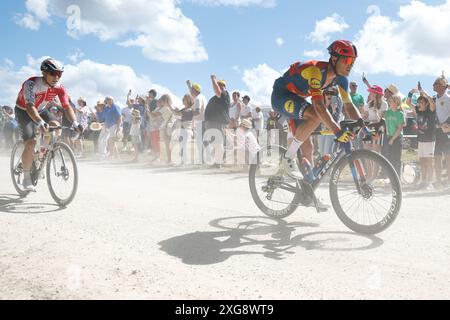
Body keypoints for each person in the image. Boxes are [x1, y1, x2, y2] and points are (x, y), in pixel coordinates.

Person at [271, 39, 363, 179]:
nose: (350, 65)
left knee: (308, 147)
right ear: (334, 58)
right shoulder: (316, 71)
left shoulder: (341, 79)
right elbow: (319, 106)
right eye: (348, 60)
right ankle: (288, 157)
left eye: (353, 62)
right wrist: (337, 131)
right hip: (281, 95)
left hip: (297, 99)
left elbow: (349, 106)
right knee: (315, 115)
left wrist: (362, 124)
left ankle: (308, 188)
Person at [14, 58, 82, 191]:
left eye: (59, 74)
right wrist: (40, 122)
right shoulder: (31, 83)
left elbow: (67, 107)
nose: (56, 77)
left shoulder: (59, 88)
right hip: (24, 110)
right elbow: (29, 106)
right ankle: (27, 178)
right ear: (44, 72)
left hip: (41, 109)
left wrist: (75, 123)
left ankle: (41, 154)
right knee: (31, 141)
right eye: (53, 73)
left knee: (55, 125)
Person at [204, 75, 230, 168]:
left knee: (218, 143)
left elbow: (218, 92)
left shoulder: (224, 93)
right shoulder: (217, 96)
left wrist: (213, 80)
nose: (220, 86)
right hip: (213, 122)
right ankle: (217, 161)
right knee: (216, 143)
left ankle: (219, 162)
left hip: (217, 122)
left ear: (225, 87)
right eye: (219, 84)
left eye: (222, 85)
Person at [413, 92, 436, 190]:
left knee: (429, 161)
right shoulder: (418, 111)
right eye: (418, 102)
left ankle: (429, 182)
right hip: (421, 140)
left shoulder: (430, 111)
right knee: (422, 161)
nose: (419, 104)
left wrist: (425, 94)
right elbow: (408, 102)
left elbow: (432, 103)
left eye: (421, 102)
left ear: (426, 103)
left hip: (429, 140)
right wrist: (411, 93)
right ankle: (423, 181)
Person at [432, 76, 450, 187]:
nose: (433, 86)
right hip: (438, 131)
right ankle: (438, 180)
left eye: (436, 84)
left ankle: (448, 180)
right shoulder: (434, 98)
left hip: (447, 130)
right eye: (434, 84)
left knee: (448, 156)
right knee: (437, 156)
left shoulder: (448, 98)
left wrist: (446, 123)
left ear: (442, 86)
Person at [383, 94, 406, 176]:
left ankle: (397, 178)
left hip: (397, 138)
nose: (389, 102)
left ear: (396, 102)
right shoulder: (387, 112)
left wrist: (392, 139)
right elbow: (380, 117)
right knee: (389, 158)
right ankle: (391, 178)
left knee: (396, 159)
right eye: (389, 101)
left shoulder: (400, 113)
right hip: (388, 137)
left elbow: (399, 129)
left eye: (391, 101)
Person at [186, 80, 206, 164]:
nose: (190, 91)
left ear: (195, 90)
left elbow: (197, 111)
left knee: (199, 142)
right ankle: (203, 159)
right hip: (203, 121)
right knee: (201, 141)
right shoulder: (201, 97)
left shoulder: (198, 99)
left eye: (192, 90)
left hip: (200, 122)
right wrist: (189, 85)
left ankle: (202, 160)